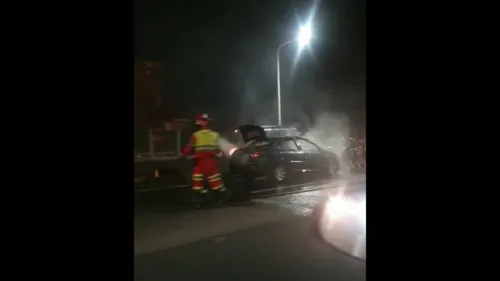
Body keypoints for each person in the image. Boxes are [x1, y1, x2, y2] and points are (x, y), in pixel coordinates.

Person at [181, 113, 226, 206]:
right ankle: (219, 199)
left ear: (199, 123)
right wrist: (219, 155)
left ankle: (202, 200)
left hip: (200, 163)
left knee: (197, 182)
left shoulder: (195, 135)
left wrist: (182, 155)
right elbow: (220, 148)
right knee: (215, 182)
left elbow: (189, 147)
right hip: (211, 162)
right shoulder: (215, 135)